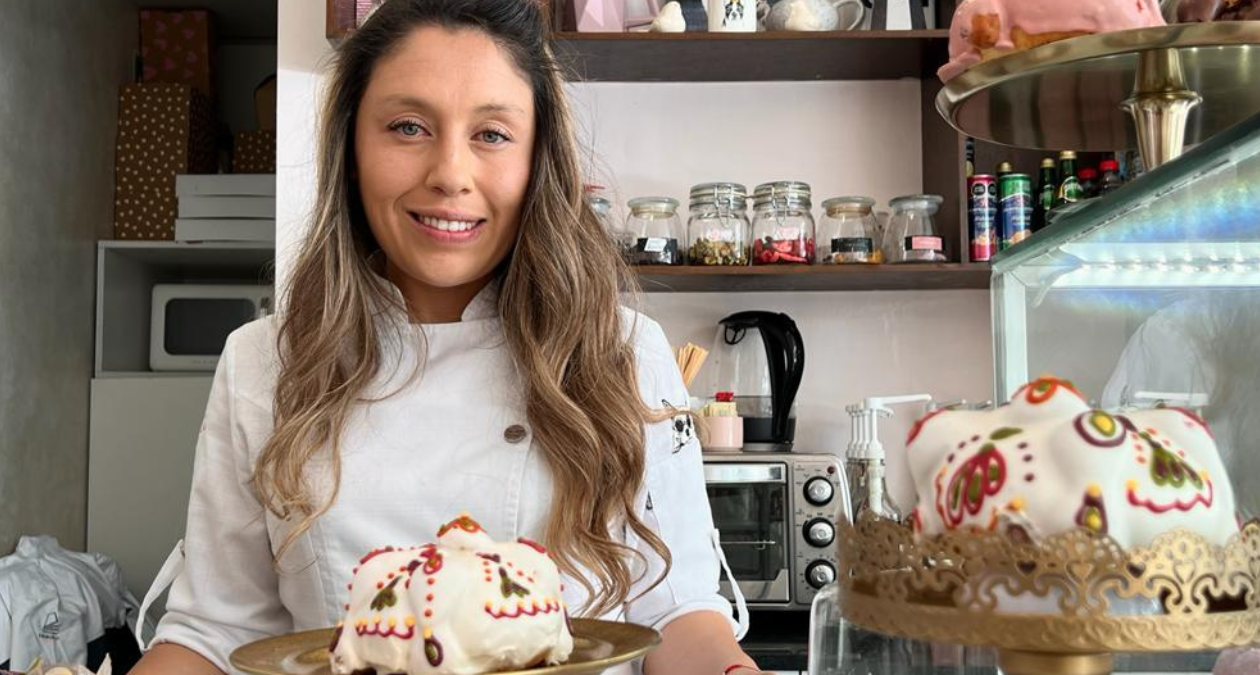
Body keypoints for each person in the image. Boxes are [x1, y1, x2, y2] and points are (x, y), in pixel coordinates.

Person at [127, 0, 761, 673]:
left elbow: (678, 614)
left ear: (537, 158)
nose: (450, 174)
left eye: (492, 134)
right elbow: (212, 633)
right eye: (407, 127)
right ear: (351, 148)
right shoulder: (265, 362)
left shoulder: (622, 351)